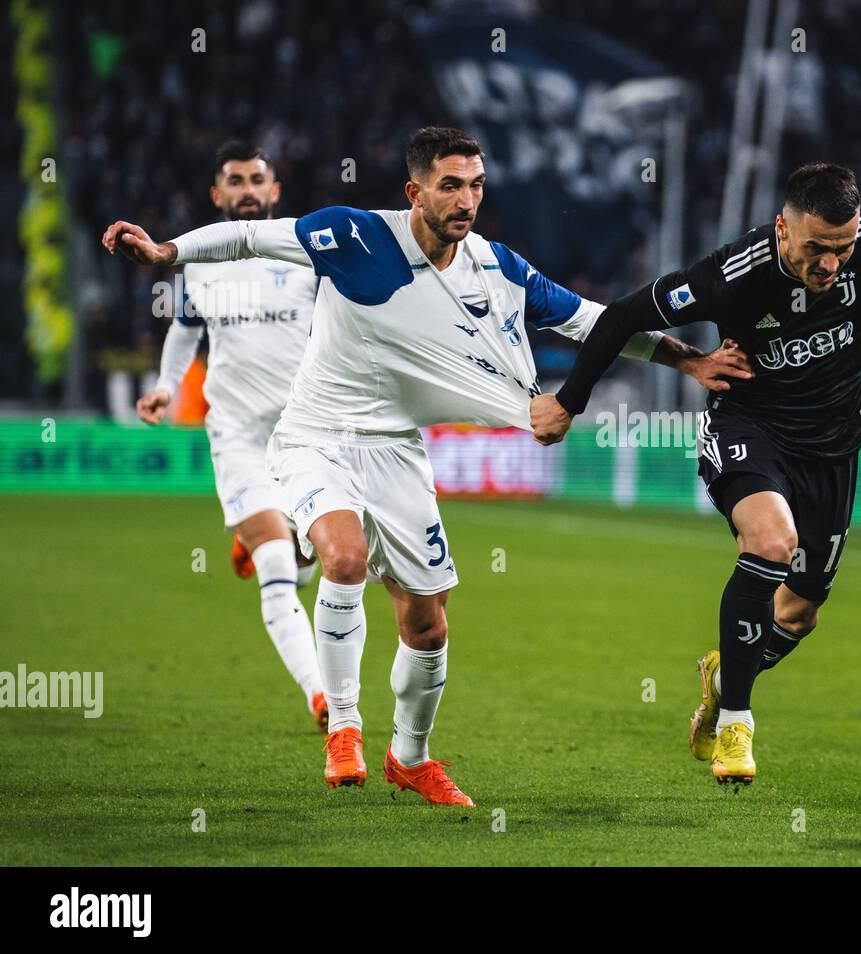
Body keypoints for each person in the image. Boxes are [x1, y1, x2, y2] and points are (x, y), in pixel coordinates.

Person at [105, 127, 750, 807]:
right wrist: (165, 249)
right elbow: (245, 240)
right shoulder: (354, 237)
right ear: (414, 191)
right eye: (450, 184)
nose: (466, 198)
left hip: (397, 451)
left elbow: (595, 321)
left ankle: (409, 757)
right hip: (316, 435)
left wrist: (691, 360)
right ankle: (343, 725)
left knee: (427, 623)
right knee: (344, 558)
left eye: (475, 184)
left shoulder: (497, 269)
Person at [530, 163, 861, 787]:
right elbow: (622, 316)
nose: (831, 264)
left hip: (834, 451)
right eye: (816, 248)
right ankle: (736, 722)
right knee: (770, 543)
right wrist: (571, 400)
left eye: (841, 250)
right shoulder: (733, 274)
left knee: (798, 614)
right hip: (749, 429)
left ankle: (724, 675)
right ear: (783, 227)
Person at [135, 141, 327, 731]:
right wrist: (167, 385)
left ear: (275, 192)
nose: (247, 190)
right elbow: (184, 329)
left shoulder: (306, 256)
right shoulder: (202, 261)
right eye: (235, 181)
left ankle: (258, 537)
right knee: (277, 567)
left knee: (308, 566)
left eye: (257, 180)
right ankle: (324, 700)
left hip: (303, 435)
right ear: (217, 195)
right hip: (237, 435)